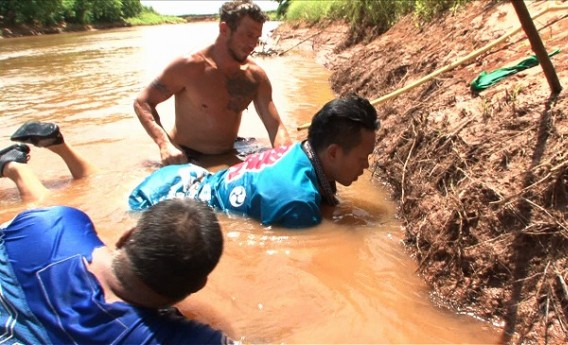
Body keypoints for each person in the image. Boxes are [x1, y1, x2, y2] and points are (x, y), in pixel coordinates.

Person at [0, 122, 233, 344]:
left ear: (126, 236)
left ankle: (15, 167)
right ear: (198, 286)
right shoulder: (180, 339)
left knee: (40, 206)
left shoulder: (58, 222)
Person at [129, 94, 380, 228]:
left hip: (182, 177)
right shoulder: (297, 202)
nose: (366, 166)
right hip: (158, 204)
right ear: (333, 152)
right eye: (362, 157)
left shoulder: (300, 152)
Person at [134, 0, 292, 166]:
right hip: (187, 156)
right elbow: (143, 102)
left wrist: (287, 159)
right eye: (248, 35)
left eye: (257, 37)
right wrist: (165, 144)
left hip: (232, 150)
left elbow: (276, 127)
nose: (253, 44)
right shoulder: (189, 67)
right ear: (224, 29)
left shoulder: (255, 76)